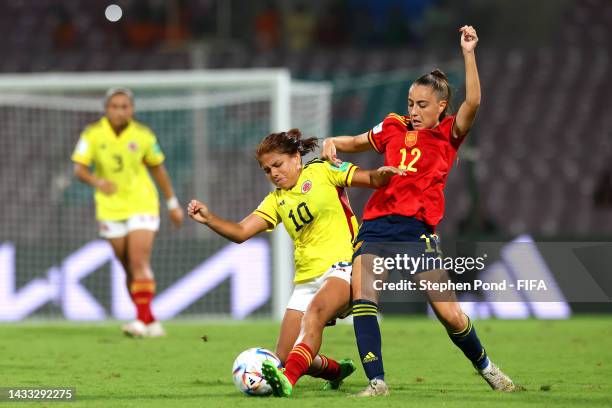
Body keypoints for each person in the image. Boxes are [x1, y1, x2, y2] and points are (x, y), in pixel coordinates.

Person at [321, 26, 516, 396]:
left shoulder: (448, 134)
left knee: (450, 315)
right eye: (411, 103)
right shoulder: (394, 127)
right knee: (365, 300)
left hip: (416, 232)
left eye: (422, 105)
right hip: (376, 225)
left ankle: (487, 368)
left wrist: (469, 54)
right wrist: (333, 142)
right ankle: (377, 382)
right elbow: (357, 141)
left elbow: (472, 102)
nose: (413, 111)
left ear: (441, 106)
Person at [187, 129, 405, 397]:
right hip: (306, 280)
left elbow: (371, 178)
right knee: (285, 355)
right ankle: (336, 371)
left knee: (313, 315)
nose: (274, 174)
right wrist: (210, 219)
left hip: (344, 267)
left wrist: (383, 174)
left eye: (277, 165)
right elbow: (241, 232)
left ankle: (287, 381)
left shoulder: (324, 171)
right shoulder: (276, 201)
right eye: (267, 170)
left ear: (296, 158)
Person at [72, 88, 184, 337]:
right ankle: (149, 319)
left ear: (132, 109)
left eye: (125, 106)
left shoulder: (143, 135)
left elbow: (158, 170)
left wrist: (172, 203)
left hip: (142, 202)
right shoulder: (92, 134)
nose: (120, 111)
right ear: (106, 109)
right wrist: (96, 182)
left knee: (138, 261)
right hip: (110, 208)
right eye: (115, 106)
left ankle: (140, 322)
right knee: (128, 268)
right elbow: (79, 169)